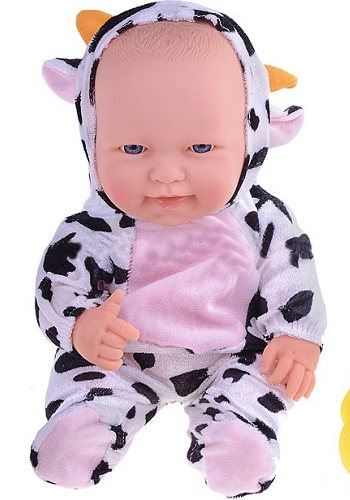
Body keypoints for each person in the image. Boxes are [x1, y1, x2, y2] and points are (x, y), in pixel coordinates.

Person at [32, 3, 326, 496]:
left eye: (201, 148)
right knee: (83, 372)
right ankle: (84, 424)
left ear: (250, 135)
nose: (167, 174)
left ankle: (238, 433)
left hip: (233, 352)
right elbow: (57, 283)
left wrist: (297, 336)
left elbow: (292, 273)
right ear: (94, 135)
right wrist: (80, 326)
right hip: (121, 357)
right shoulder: (97, 226)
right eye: (133, 149)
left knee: (266, 374)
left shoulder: (259, 219)